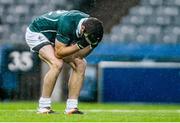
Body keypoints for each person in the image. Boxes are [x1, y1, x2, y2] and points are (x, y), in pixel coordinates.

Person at [25, 10, 104, 114]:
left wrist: (83, 46)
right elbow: (59, 53)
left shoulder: (94, 32)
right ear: (82, 28)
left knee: (80, 64)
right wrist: (79, 45)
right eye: (88, 37)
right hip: (38, 33)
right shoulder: (68, 22)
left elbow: (80, 55)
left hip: (55, 39)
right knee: (57, 64)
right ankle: (43, 107)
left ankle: (72, 107)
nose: (89, 40)